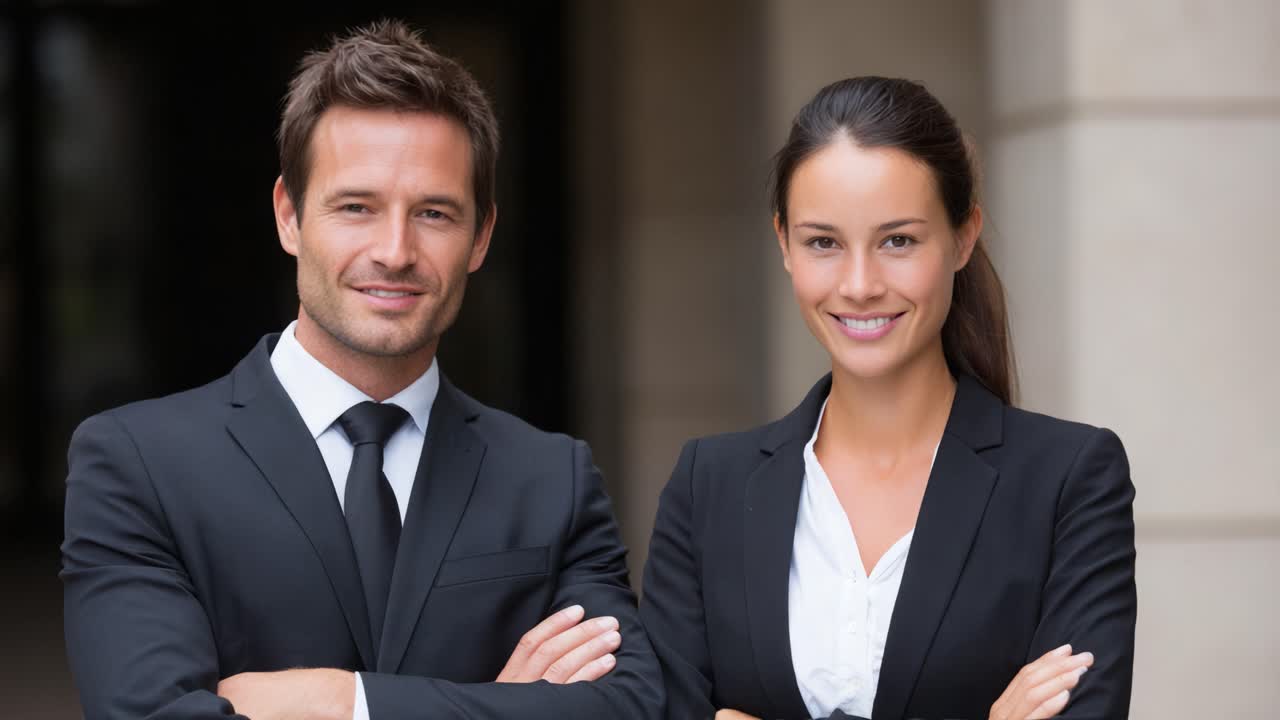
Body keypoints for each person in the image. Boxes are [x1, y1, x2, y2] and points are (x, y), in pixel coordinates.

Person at [61, 20, 662, 720]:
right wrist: (501, 706)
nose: (395, 251)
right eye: (356, 207)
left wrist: (343, 700)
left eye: (434, 213)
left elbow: (632, 706)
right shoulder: (136, 465)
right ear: (289, 216)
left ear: (481, 236)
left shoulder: (553, 479)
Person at [640, 77, 1136, 720]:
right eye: (823, 242)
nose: (859, 284)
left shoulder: (1069, 480)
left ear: (963, 236)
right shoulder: (708, 488)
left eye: (897, 240)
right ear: (784, 243)